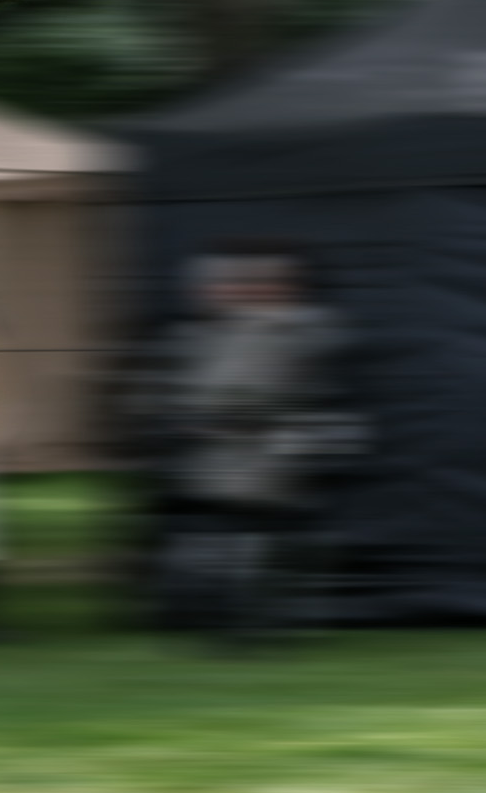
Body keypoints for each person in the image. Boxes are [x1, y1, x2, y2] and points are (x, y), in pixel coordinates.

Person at [149, 244, 356, 637]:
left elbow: (254, 393)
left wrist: (216, 415)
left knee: (270, 540)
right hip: (235, 459)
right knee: (239, 539)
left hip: (279, 454)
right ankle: (239, 619)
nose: (228, 290)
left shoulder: (302, 327)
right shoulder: (213, 331)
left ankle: (263, 620)